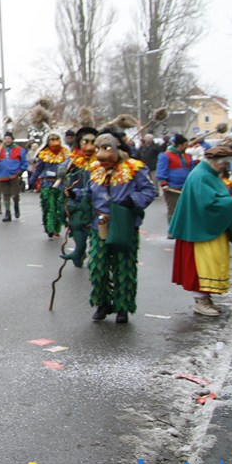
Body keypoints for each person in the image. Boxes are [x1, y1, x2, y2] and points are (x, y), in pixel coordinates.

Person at [86, 130, 157, 324]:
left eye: (106, 148)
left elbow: (149, 190)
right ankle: (102, 303)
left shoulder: (134, 167)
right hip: (99, 224)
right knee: (97, 268)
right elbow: (87, 192)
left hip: (124, 224)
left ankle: (123, 307)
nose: (101, 154)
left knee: (124, 266)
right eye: (98, 148)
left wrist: (132, 201)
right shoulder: (94, 169)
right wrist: (75, 196)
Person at [170, 145, 232, 317]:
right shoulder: (201, 176)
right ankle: (200, 301)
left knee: (208, 264)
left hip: (202, 228)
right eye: (224, 163)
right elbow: (209, 205)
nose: (226, 167)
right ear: (214, 161)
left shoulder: (207, 174)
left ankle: (205, 298)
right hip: (200, 231)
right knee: (201, 267)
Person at [60, 126, 99, 268]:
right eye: (85, 142)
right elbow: (64, 165)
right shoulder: (74, 159)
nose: (89, 147)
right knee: (76, 227)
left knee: (96, 232)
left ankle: (95, 257)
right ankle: (79, 251)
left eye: (92, 142)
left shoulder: (103, 160)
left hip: (96, 203)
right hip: (76, 199)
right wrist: (62, 170)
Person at [34, 132, 69, 239]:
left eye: (56, 139)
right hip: (47, 183)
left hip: (60, 184)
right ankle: (50, 228)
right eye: (52, 140)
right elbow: (38, 169)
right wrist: (32, 180)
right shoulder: (43, 154)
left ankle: (56, 229)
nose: (55, 142)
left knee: (59, 207)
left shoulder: (65, 153)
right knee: (49, 206)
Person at [157, 134, 195, 223]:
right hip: (172, 187)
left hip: (186, 186)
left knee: (187, 209)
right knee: (174, 209)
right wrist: (164, 183)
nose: (187, 146)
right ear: (180, 145)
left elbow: (193, 170)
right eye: (185, 145)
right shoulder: (165, 156)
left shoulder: (187, 156)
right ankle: (173, 231)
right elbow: (161, 170)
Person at [0, 131, 26, 222]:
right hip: (2, 175)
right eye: (5, 139)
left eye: (9, 138)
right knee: (5, 195)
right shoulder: (0, 150)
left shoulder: (19, 149)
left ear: (12, 139)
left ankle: (16, 206)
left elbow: (24, 162)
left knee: (15, 194)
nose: (7, 140)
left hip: (14, 175)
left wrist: (20, 171)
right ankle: (7, 212)